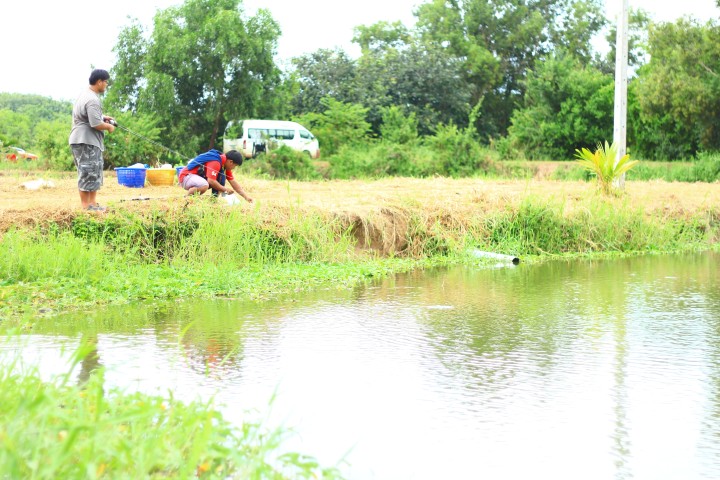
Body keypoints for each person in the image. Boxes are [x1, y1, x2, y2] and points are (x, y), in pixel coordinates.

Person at [68, 69, 115, 211]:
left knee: (94, 172)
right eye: (106, 82)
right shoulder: (92, 99)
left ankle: (93, 204)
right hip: (86, 141)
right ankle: (86, 207)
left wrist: (103, 117)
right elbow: (95, 124)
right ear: (99, 82)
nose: (106, 85)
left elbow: (90, 117)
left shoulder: (85, 94)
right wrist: (109, 127)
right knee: (87, 171)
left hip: (84, 140)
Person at [178, 149, 253, 203]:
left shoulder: (224, 164)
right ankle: (186, 198)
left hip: (195, 178)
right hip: (186, 177)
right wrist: (225, 190)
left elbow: (233, 182)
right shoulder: (216, 161)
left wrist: (246, 197)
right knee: (204, 185)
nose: (234, 168)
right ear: (231, 162)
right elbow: (211, 181)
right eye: (235, 166)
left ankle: (213, 201)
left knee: (221, 178)